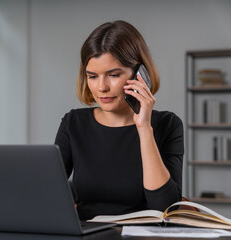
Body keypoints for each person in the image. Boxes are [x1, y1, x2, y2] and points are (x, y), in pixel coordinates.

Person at [54, 20, 183, 221]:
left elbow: (165, 209)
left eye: (113, 75)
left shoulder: (168, 125)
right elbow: (48, 190)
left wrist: (144, 128)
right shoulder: (73, 123)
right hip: (88, 234)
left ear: (141, 75)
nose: (101, 87)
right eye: (92, 76)